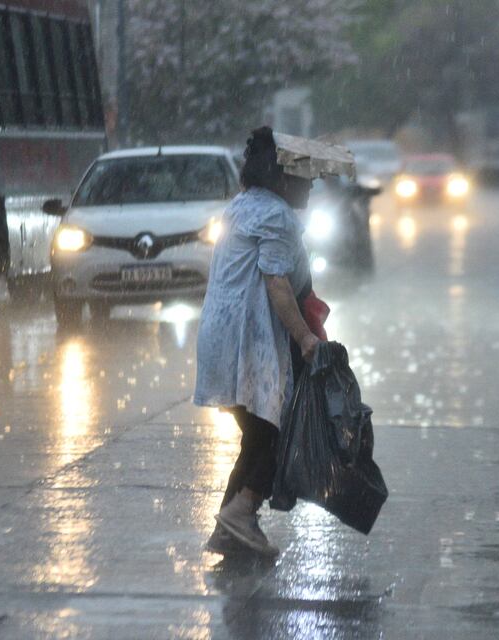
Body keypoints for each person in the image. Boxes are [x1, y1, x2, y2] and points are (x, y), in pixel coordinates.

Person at [193, 126, 321, 556]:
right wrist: (304, 337)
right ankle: (241, 512)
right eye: (305, 179)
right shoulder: (278, 216)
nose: (310, 187)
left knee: (258, 434)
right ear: (283, 179)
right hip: (251, 340)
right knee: (278, 432)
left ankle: (229, 526)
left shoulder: (240, 207)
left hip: (219, 337)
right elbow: (277, 284)